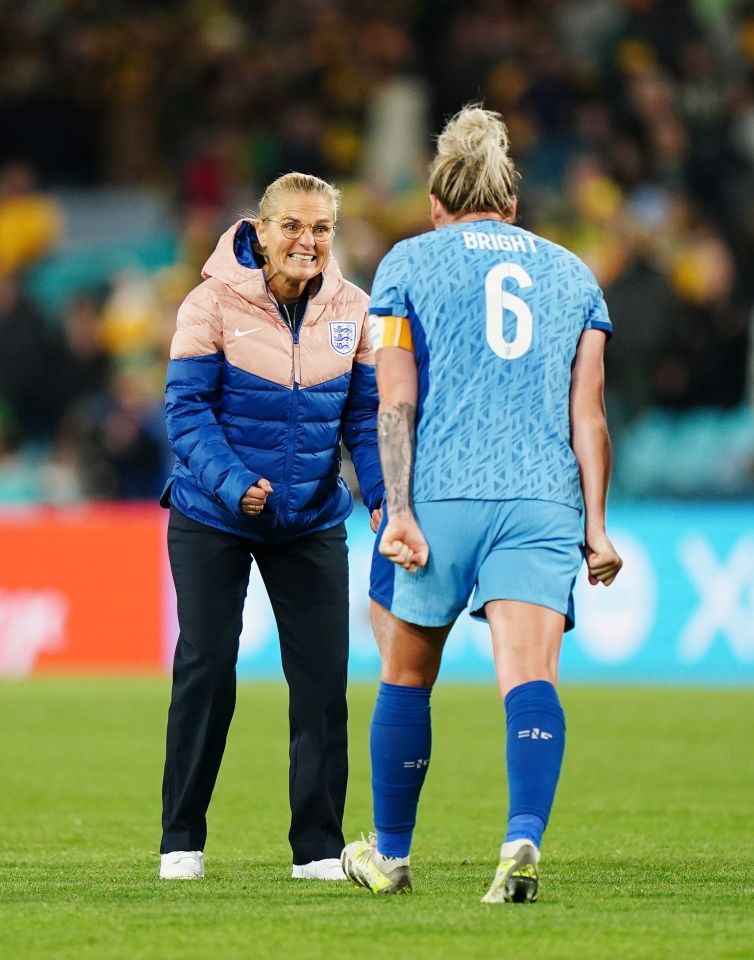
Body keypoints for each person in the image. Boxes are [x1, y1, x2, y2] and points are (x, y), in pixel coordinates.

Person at [341, 105, 622, 902]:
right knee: (529, 676)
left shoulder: (406, 264)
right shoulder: (573, 274)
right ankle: (520, 840)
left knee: (405, 676)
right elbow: (589, 414)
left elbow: (392, 398)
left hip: (438, 496)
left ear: (436, 203)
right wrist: (596, 528)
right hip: (541, 500)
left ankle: (390, 854)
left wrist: (394, 507)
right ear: (511, 201)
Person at [159, 172, 384, 881]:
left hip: (310, 519)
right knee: (207, 667)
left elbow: (366, 420)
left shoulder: (354, 308)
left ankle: (317, 847)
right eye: (291, 226)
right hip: (211, 514)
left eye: (320, 228)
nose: (306, 241)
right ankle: (181, 841)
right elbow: (185, 412)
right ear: (259, 231)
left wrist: (384, 499)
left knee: (322, 681)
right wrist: (234, 483)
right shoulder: (209, 302)